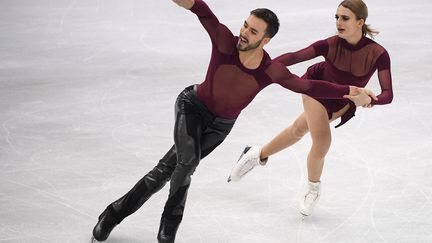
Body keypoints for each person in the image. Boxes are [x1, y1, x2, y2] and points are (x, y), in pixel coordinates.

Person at [91, 0, 373, 242]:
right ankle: (167, 234)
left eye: (253, 31)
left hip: (220, 127)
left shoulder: (269, 70)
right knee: (185, 164)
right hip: (191, 107)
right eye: (245, 25)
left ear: (265, 40)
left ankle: (113, 212)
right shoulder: (225, 42)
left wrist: (350, 92)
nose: (244, 33)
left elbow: (308, 87)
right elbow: (203, 11)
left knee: (167, 170)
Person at [228, 0, 393, 217]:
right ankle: (313, 188)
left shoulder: (378, 54)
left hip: (342, 101)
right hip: (316, 88)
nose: (338, 22)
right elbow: (295, 57)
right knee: (322, 141)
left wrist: (371, 100)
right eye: (336, 17)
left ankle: (256, 154)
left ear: (360, 22)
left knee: (297, 130)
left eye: (345, 18)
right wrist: (261, 67)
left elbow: (387, 93)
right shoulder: (330, 44)